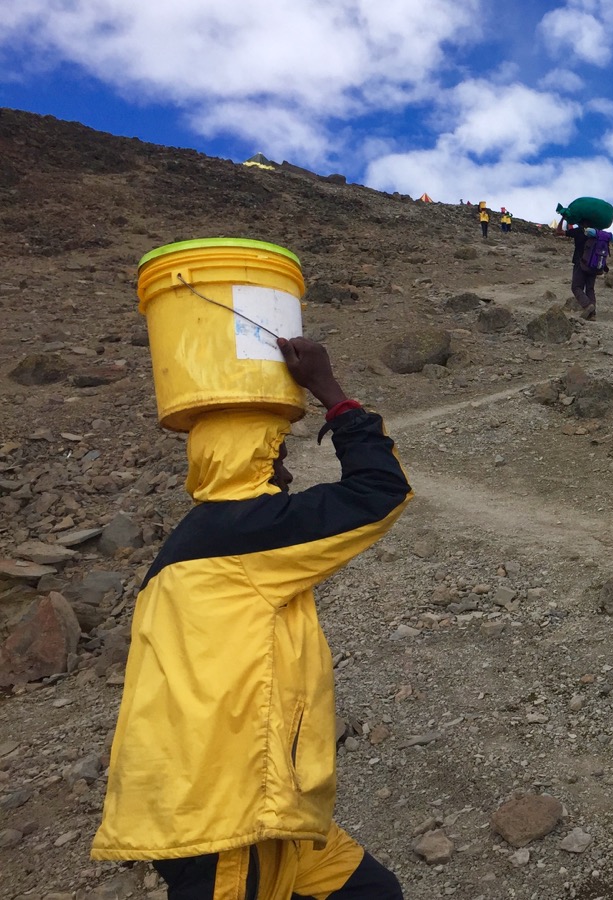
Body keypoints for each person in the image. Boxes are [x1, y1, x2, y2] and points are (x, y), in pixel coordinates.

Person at [92, 337, 412, 898]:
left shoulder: (193, 544)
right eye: (277, 456)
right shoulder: (242, 535)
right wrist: (331, 394)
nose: (286, 475)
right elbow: (379, 492)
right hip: (223, 818)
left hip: (252, 801)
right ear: (250, 459)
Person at [556, 218, 600, 320]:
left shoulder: (579, 231)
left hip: (580, 262)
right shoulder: (597, 233)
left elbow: (558, 232)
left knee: (576, 287)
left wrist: (562, 218)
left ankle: (587, 305)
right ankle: (592, 315)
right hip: (593, 264)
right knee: (590, 288)